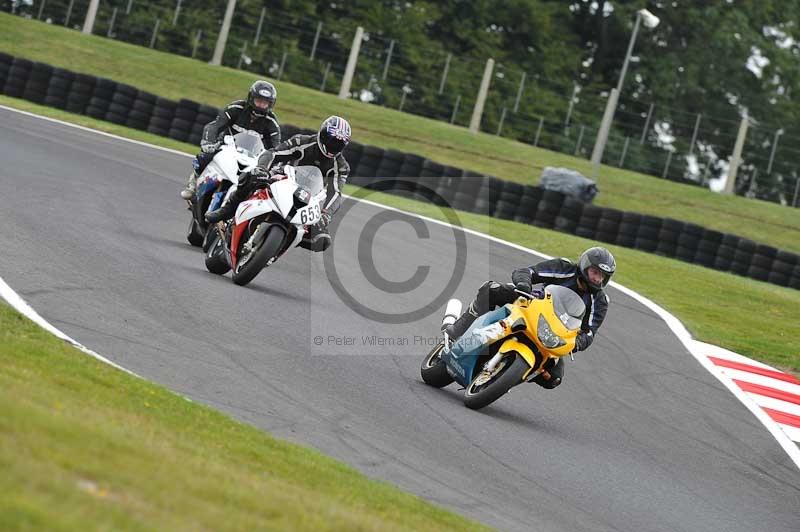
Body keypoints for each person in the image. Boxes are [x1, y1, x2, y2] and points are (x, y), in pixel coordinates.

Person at [445, 246, 616, 389]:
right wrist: (524, 285)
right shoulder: (564, 268)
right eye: (595, 272)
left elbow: (589, 333)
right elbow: (527, 271)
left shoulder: (600, 301)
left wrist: (577, 343)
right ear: (585, 266)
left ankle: (507, 375)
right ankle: (459, 329)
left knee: (553, 378)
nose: (597, 278)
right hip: (531, 304)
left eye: (602, 276)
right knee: (491, 290)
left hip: (555, 332)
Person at [205, 116, 352, 253]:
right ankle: (228, 209)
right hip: (283, 177)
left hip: (309, 197)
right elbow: (272, 153)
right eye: (331, 140)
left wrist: (326, 214)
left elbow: (336, 193)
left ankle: (283, 242)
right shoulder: (302, 142)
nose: (333, 146)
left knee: (322, 241)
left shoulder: (341, 166)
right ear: (323, 135)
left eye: (339, 144)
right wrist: (262, 169)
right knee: (251, 176)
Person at [180, 80, 281, 200]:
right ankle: (194, 180)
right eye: (258, 101)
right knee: (206, 156)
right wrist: (208, 142)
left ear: (270, 104)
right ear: (251, 98)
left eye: (265, 103)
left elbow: (275, 148)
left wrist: (275, 164)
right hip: (226, 146)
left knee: (260, 179)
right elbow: (214, 126)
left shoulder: (272, 122)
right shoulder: (236, 108)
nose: (261, 105)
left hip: (252, 156)